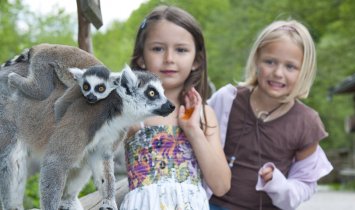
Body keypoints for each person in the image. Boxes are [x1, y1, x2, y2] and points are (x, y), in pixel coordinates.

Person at [207, 20, 333, 210]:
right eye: (270, 62)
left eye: (290, 67)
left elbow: (305, 184)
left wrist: (278, 184)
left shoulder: (306, 122)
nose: (278, 73)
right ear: (257, 60)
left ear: (303, 71)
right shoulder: (227, 99)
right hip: (212, 205)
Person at [119, 5, 231, 210]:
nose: (169, 58)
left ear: (196, 60)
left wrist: (193, 130)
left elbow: (221, 185)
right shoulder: (131, 114)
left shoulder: (204, 115)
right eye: (158, 49)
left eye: (181, 50)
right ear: (141, 59)